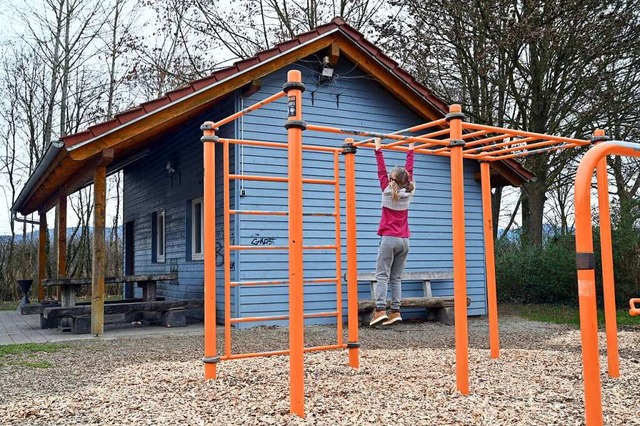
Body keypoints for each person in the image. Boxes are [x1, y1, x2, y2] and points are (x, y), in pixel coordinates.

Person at [370, 138, 415, 326]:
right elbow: (409, 173)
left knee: (382, 275)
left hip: (389, 239)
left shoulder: (386, 191)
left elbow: (381, 170)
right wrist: (410, 151)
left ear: (390, 180)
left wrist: (378, 149)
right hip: (404, 241)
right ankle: (395, 311)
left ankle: (380, 309)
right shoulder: (408, 193)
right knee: (396, 278)